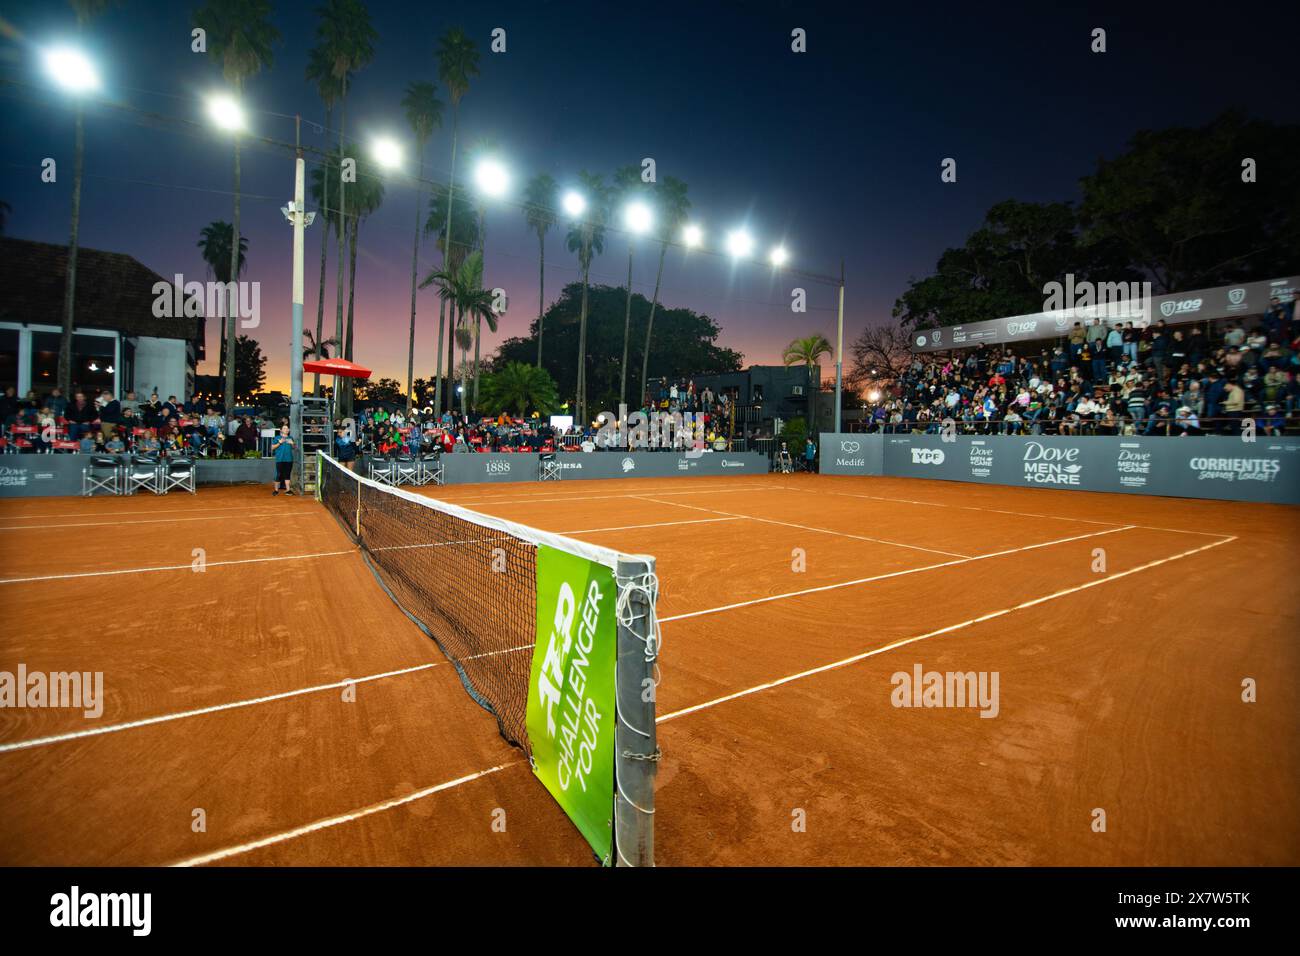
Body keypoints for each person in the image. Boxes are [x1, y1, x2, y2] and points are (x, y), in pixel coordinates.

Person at [270, 425, 296, 495]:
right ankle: (276, 490)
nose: (287, 429)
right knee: (279, 475)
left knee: (287, 474)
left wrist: (293, 444)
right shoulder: (277, 438)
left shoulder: (290, 438)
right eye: (285, 428)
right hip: (280, 459)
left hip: (289, 459)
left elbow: (294, 447)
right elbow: (272, 448)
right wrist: (279, 443)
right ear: (281, 430)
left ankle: (288, 490)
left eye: (287, 428)